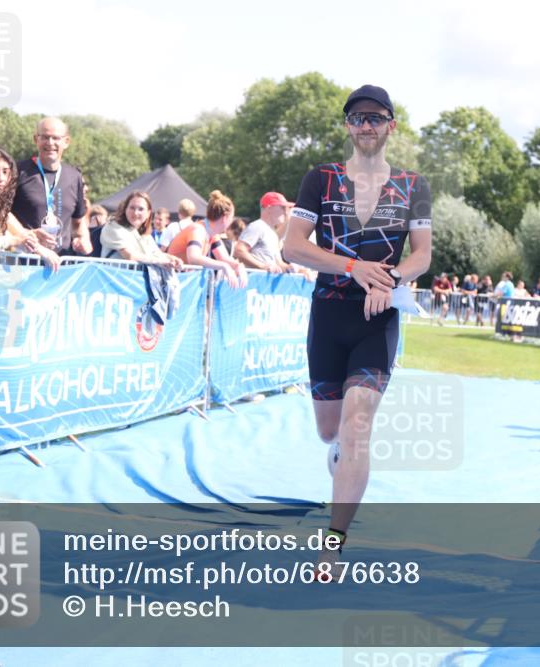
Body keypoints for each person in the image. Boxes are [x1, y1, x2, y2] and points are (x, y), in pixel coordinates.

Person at [282, 84, 432, 577]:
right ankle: (341, 459)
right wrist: (353, 267)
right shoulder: (321, 179)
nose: (366, 125)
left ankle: (333, 543)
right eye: (358, 118)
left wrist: (390, 279)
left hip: (378, 320)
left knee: (358, 424)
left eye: (376, 117)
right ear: (347, 126)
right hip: (328, 315)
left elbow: (422, 256)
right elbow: (292, 247)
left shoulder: (413, 185)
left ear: (392, 125)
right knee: (331, 431)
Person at [11, 117, 92, 256]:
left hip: (61, 263)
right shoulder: (18, 171)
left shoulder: (74, 176)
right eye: (45, 137)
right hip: (23, 260)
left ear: (66, 142)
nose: (50, 143)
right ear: (36, 139)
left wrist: (84, 239)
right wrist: (26, 234)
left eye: (56, 138)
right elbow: (2, 214)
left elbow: (78, 223)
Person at [167, 190, 248, 288]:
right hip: (170, 280)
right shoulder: (198, 230)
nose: (231, 221)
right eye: (231, 218)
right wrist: (224, 266)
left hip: (180, 281)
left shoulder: (212, 233)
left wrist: (238, 266)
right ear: (224, 218)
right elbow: (193, 257)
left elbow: (224, 258)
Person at [99, 190, 183, 268]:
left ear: (148, 213)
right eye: (132, 208)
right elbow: (130, 255)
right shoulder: (113, 227)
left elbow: (157, 254)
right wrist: (161, 261)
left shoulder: (145, 235)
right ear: (125, 209)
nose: (136, 213)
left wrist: (172, 259)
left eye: (141, 209)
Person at [235, 192, 294, 273]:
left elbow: (278, 263)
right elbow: (239, 251)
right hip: (254, 280)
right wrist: (263, 266)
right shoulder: (257, 226)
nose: (286, 212)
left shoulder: (273, 234)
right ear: (269, 208)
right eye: (283, 207)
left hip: (262, 280)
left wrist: (292, 268)